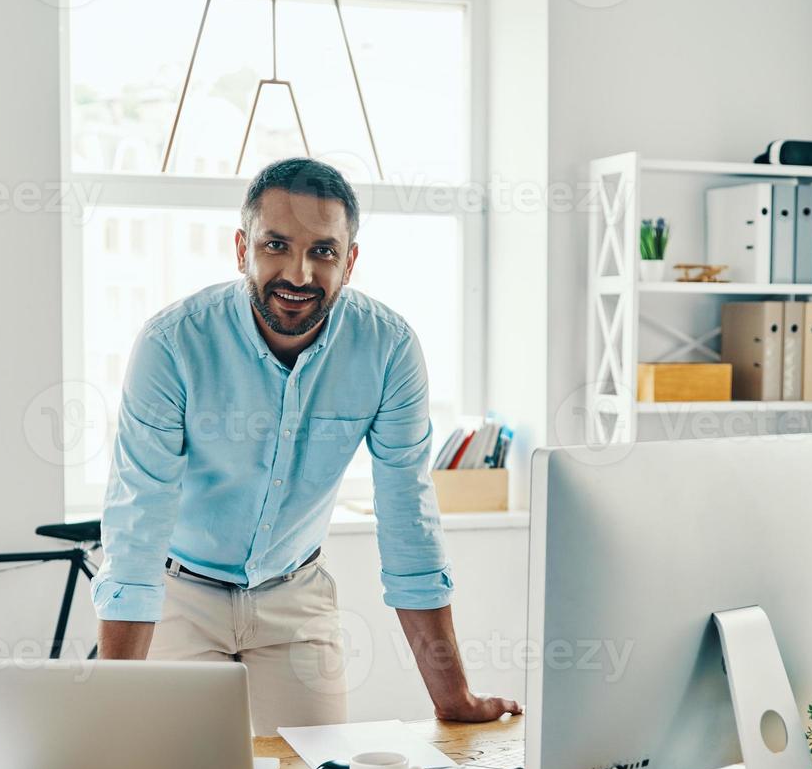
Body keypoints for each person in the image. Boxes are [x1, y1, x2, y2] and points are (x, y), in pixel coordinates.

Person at [92, 157, 521, 734]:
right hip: (179, 595)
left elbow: (407, 522)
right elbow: (137, 527)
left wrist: (454, 699)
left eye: (323, 251)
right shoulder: (172, 345)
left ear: (350, 261)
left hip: (294, 600)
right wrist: (110, 714)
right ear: (242, 248)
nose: (299, 273)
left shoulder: (387, 350)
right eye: (276, 245)